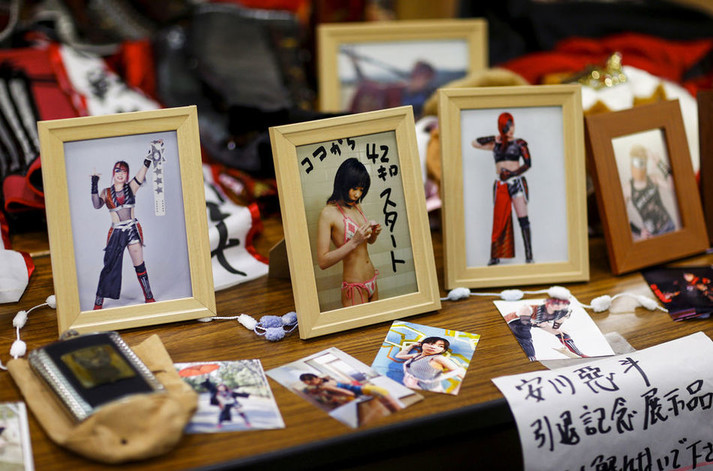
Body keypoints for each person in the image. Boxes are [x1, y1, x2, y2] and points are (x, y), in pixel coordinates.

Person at [91, 157, 154, 309]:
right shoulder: (106, 192)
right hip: (116, 232)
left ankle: (149, 296)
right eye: (118, 170)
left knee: (140, 265)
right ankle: (98, 302)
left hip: (132, 230)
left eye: (124, 171)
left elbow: (140, 175)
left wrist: (147, 161)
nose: (120, 174)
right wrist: (94, 183)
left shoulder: (131, 187)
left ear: (127, 175)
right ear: (113, 173)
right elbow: (96, 205)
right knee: (109, 266)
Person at [317, 158, 382, 307]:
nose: (358, 194)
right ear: (343, 183)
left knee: (378, 321)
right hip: (355, 286)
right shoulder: (328, 213)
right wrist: (354, 241)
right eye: (354, 188)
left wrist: (373, 234)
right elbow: (323, 261)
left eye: (361, 189)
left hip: (372, 279)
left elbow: (367, 243)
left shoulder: (357, 207)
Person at [472, 112, 533, 265]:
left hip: (516, 183)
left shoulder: (520, 143)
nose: (510, 129)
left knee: (523, 219)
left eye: (512, 126)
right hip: (501, 185)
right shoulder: (495, 144)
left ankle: (529, 255)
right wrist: (494, 137)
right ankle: (495, 256)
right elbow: (475, 143)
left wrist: (512, 173)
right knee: (499, 220)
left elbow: (527, 164)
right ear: (501, 127)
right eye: (507, 127)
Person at [344, 48, 437, 117]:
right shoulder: (396, 91)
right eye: (422, 77)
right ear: (415, 75)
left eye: (426, 79)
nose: (423, 82)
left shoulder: (428, 95)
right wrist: (355, 65)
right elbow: (368, 85)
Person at [504, 297, 588, 361]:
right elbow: (524, 315)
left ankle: (580, 354)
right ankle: (531, 360)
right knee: (526, 339)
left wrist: (556, 328)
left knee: (563, 334)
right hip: (516, 322)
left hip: (536, 321)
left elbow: (556, 325)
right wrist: (535, 322)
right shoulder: (532, 309)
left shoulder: (563, 312)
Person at [623, 144, 677, 240]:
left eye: (643, 160)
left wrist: (659, 163)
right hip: (653, 236)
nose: (640, 166)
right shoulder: (627, 189)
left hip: (668, 226)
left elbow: (673, 186)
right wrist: (638, 231)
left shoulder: (653, 178)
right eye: (637, 161)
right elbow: (619, 216)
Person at [299, 373, 401, 412]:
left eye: (310, 381)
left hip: (371, 391)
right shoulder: (328, 381)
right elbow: (348, 383)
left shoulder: (325, 386)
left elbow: (350, 394)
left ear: (316, 378)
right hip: (369, 389)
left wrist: (326, 394)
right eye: (307, 382)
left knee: (396, 411)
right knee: (395, 411)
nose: (309, 384)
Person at [395, 337, 464, 392]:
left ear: (443, 350)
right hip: (410, 386)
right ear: (422, 344)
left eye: (440, 346)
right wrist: (412, 345)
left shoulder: (438, 358)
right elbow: (399, 356)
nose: (433, 347)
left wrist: (454, 392)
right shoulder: (417, 355)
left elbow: (461, 373)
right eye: (430, 343)